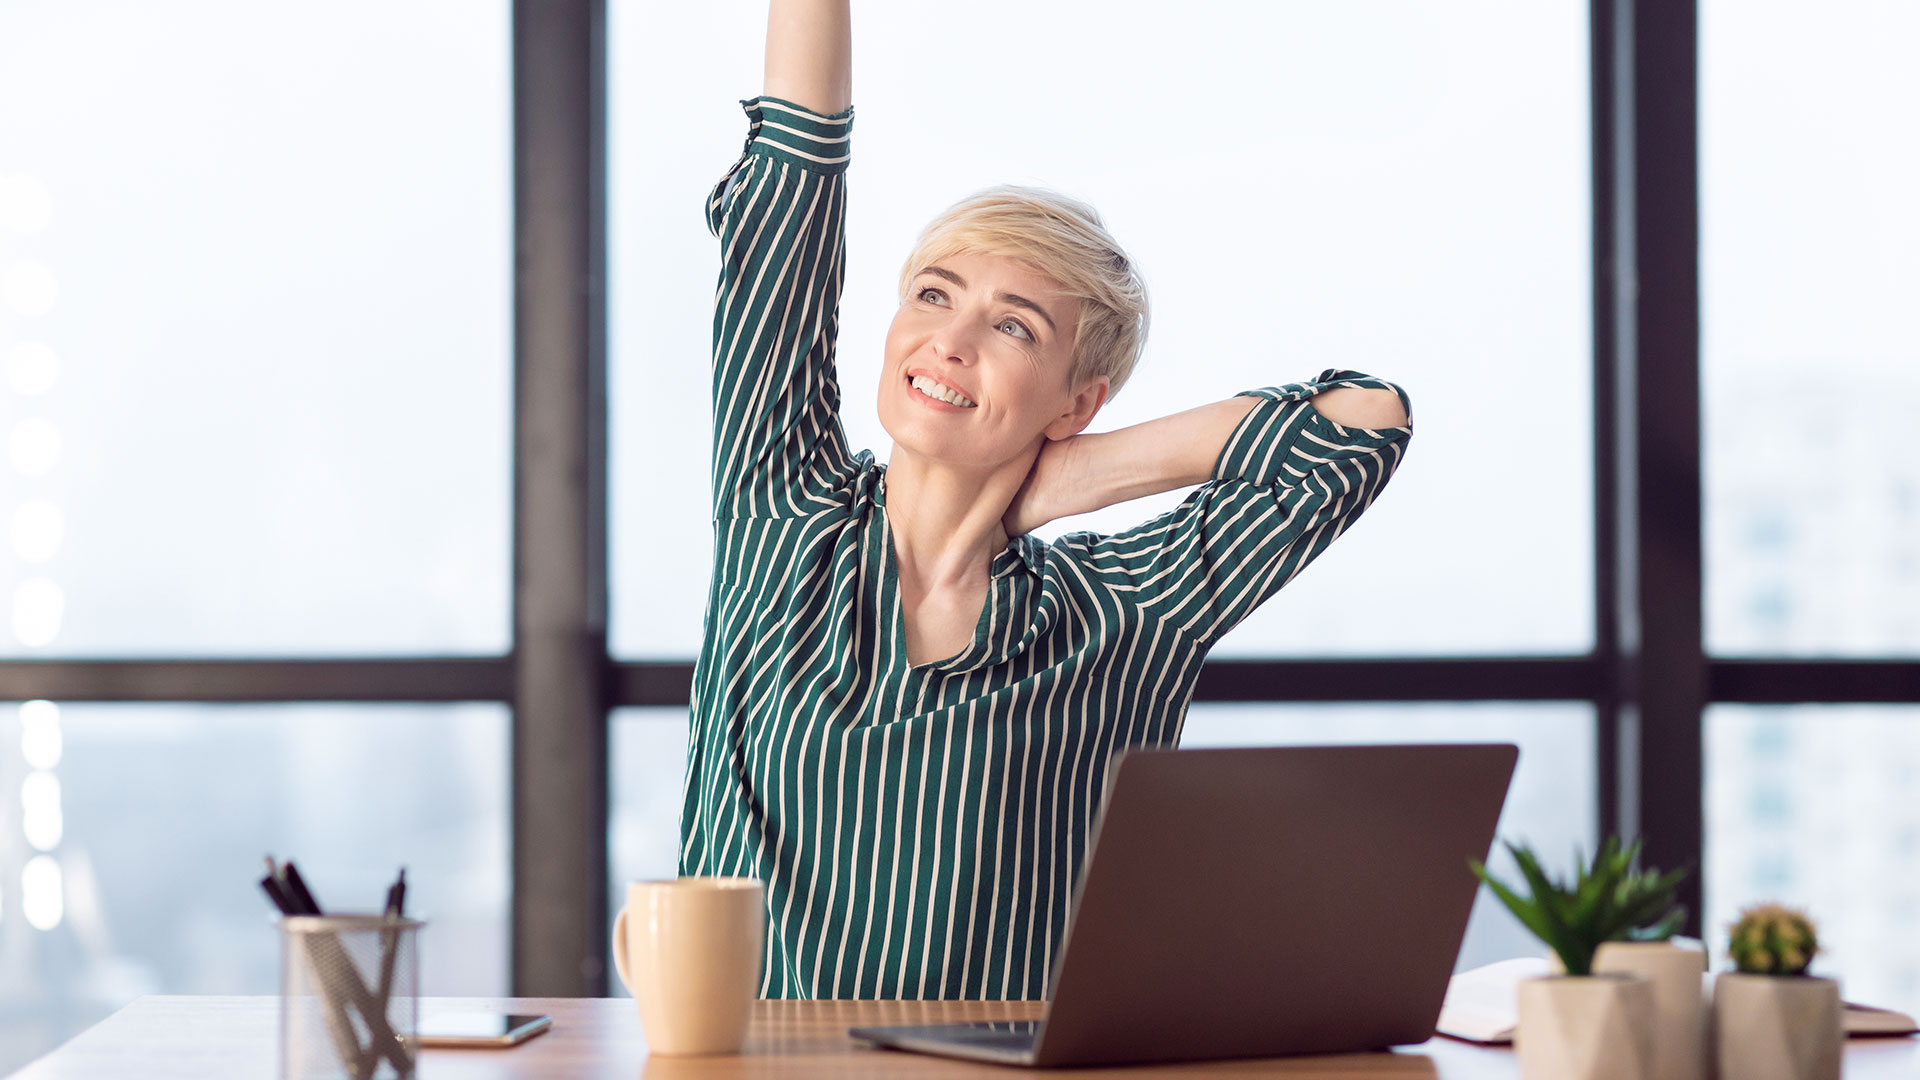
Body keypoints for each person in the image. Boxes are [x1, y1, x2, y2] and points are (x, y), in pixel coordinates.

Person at [679, 0, 1412, 1000]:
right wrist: (1037, 468)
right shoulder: (783, 513)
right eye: (934, 295)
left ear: (1079, 399)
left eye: (1012, 327)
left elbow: (1364, 423)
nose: (951, 340)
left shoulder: (1122, 611)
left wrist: (1083, 470)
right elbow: (789, 191)